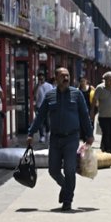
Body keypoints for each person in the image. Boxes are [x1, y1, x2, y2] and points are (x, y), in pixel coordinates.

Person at [27, 67, 94, 212]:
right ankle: (65, 187)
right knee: (53, 170)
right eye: (62, 76)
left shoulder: (77, 95)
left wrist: (89, 134)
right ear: (56, 78)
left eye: (68, 76)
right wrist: (31, 133)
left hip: (71, 138)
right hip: (55, 139)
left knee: (70, 170)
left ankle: (68, 200)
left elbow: (84, 115)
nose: (66, 78)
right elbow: (40, 116)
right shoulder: (50, 96)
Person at [33, 73, 54, 143]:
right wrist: (37, 85)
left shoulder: (49, 86)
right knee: (39, 122)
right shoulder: (37, 86)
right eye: (39, 79)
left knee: (47, 120)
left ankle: (48, 133)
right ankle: (42, 135)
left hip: (47, 105)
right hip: (39, 106)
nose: (40, 80)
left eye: (41, 79)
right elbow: (33, 94)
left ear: (44, 79)